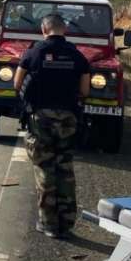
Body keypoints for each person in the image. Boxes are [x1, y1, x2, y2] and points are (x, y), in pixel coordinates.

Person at [14, 14, 90, 239]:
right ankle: (66, 224)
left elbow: (17, 84)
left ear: (43, 29)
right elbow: (85, 92)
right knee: (65, 168)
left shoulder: (33, 53)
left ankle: (48, 224)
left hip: (41, 119)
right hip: (68, 119)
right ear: (64, 29)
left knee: (44, 169)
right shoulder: (78, 56)